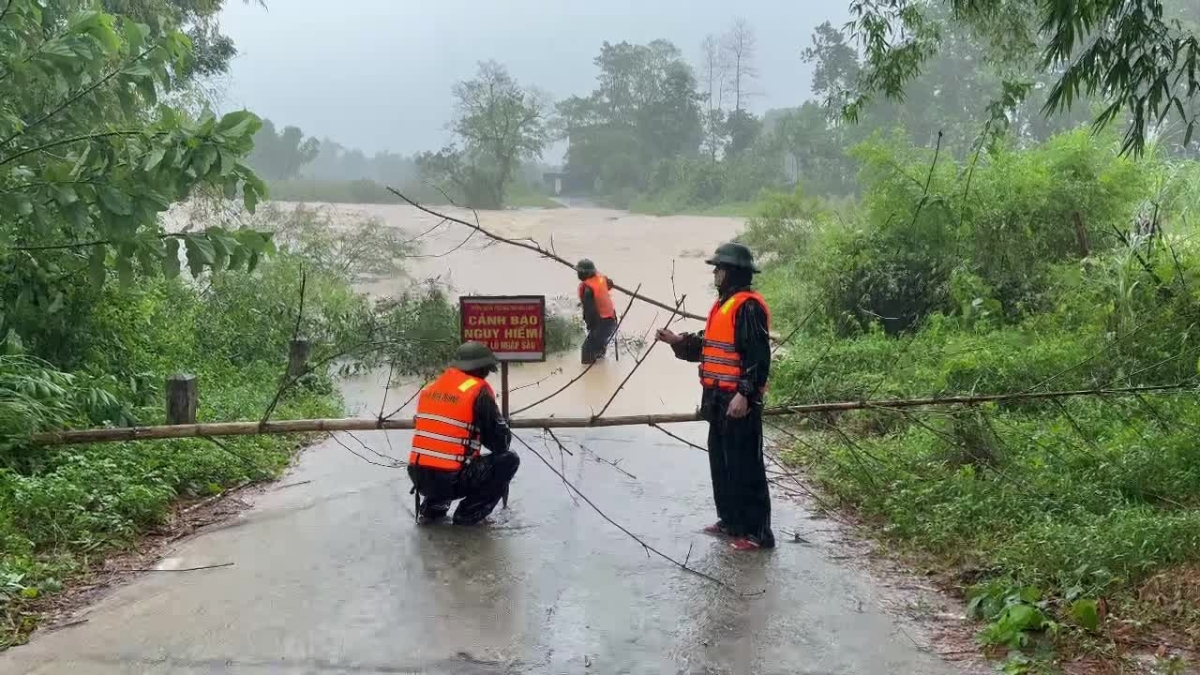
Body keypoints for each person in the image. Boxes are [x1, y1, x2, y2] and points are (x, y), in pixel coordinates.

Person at [655, 242, 775, 550]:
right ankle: (731, 522)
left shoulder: (748, 307)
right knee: (722, 464)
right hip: (717, 398)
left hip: (737, 400)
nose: (715, 274)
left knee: (746, 466)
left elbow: (757, 356)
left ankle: (757, 533)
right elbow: (708, 345)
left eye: (719, 269)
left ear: (732, 272)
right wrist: (677, 341)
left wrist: (745, 394)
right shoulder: (723, 305)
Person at [407, 341, 519, 526]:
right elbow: (500, 444)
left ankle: (433, 510)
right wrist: (501, 424)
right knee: (508, 460)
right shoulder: (478, 391)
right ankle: (467, 517)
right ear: (481, 369)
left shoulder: (433, 388)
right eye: (487, 370)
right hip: (449, 479)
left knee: (449, 457)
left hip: (418, 476)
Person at [576, 258, 618, 364]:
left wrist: (590, 326)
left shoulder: (588, 289)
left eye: (579, 272)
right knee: (598, 349)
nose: (578, 274)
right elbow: (610, 283)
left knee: (587, 350)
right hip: (611, 321)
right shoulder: (601, 279)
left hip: (602, 323)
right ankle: (600, 370)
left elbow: (589, 312)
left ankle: (589, 372)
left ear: (585, 274)